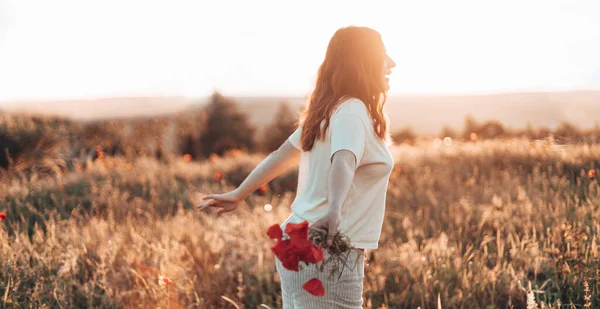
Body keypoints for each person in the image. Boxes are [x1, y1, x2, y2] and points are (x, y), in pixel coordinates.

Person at [197, 26, 396, 308]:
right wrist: (334, 210)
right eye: (383, 55)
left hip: (300, 239)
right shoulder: (352, 111)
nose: (391, 64)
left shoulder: (327, 111)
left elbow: (281, 156)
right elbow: (343, 160)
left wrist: (240, 193)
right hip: (327, 247)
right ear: (363, 61)